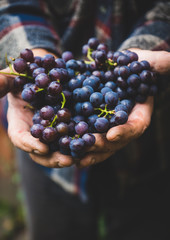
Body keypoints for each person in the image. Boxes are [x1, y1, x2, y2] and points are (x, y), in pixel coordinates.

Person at [0, 1, 170, 239]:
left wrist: (147, 44)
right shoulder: (49, 106)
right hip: (47, 165)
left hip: (154, 148)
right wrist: (33, 51)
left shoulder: (107, 96)